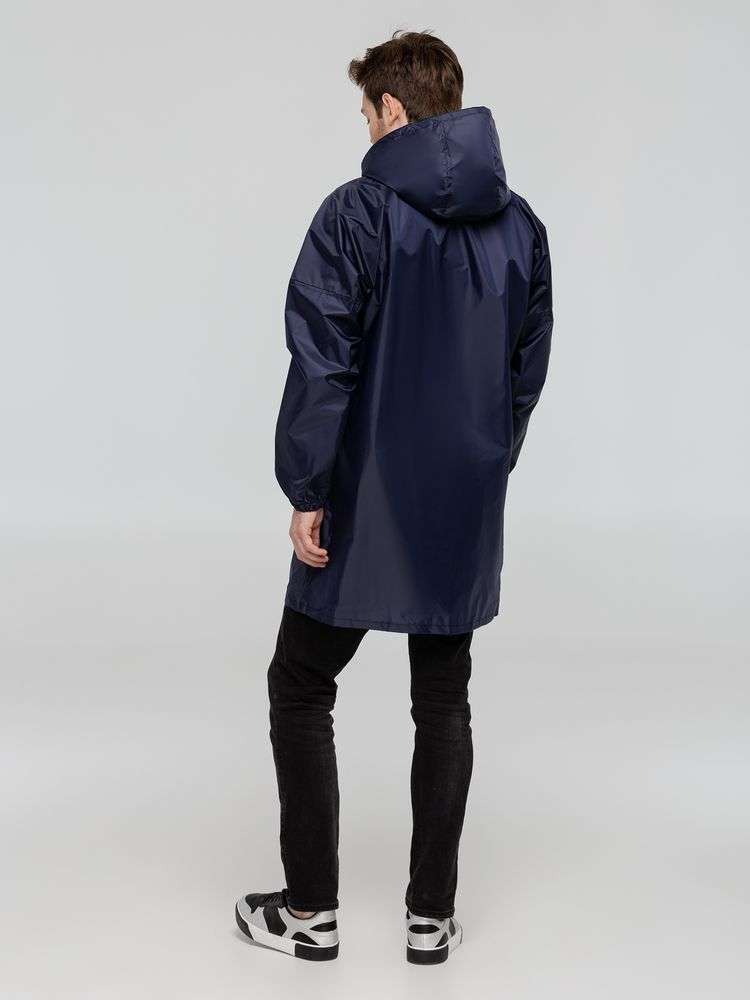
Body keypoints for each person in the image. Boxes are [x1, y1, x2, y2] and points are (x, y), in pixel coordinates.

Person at [235, 30, 553, 965]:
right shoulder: (522, 228)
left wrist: (307, 485)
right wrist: (485, 466)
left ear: (394, 109)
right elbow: (525, 371)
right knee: (443, 696)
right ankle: (431, 917)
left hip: (358, 500)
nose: (365, 131)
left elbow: (321, 358)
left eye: (366, 113)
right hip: (462, 503)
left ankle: (309, 913)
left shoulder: (355, 214)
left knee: (300, 685)